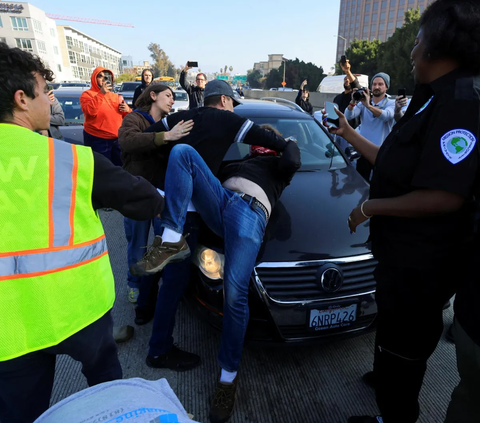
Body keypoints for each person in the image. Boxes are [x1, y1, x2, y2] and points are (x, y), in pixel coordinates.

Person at [324, 1, 480, 421]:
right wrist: (351, 134)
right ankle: (387, 395)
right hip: (399, 260)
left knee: (405, 355)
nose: (412, 50)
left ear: (440, 44)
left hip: (421, 267)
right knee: (391, 350)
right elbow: (396, 164)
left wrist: (370, 207)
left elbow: (445, 196)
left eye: (417, 40)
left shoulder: (462, 102)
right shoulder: (432, 99)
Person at [0, 42, 164, 423]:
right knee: (108, 392)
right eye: (46, 92)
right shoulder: (68, 158)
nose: (51, 100)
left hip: (10, 329)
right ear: (22, 99)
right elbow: (141, 198)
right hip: (79, 312)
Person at [131, 80, 291, 423]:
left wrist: (283, 143)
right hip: (222, 203)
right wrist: (165, 138)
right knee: (182, 152)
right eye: (232, 103)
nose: (259, 143)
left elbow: (292, 157)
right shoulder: (235, 162)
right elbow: (184, 163)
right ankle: (171, 239)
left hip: (249, 217)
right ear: (224, 101)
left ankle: (227, 380)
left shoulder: (278, 168)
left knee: (235, 296)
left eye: (263, 142)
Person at [118, 84, 193, 310]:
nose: (172, 100)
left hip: (161, 195)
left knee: (164, 245)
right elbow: (127, 141)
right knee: (138, 243)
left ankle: (161, 287)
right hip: (137, 195)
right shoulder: (134, 119)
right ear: (153, 96)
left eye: (173, 97)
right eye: (167, 96)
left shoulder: (170, 122)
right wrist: (165, 136)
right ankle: (135, 284)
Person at [344, 72, 395, 182]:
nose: (377, 87)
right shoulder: (363, 103)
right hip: (364, 152)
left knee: (379, 185)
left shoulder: (391, 103)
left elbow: (386, 116)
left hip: (381, 153)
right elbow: (348, 116)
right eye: (374, 84)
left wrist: (368, 106)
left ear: (386, 87)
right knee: (361, 184)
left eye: (381, 84)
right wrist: (353, 101)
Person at [80, 66, 131, 166]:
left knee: (119, 168)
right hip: (97, 139)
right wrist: (101, 93)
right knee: (102, 170)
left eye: (106, 77)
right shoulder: (87, 94)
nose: (103, 79)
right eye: (100, 76)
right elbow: (90, 112)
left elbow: (127, 116)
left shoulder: (115, 96)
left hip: (116, 139)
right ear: (94, 78)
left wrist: (127, 109)